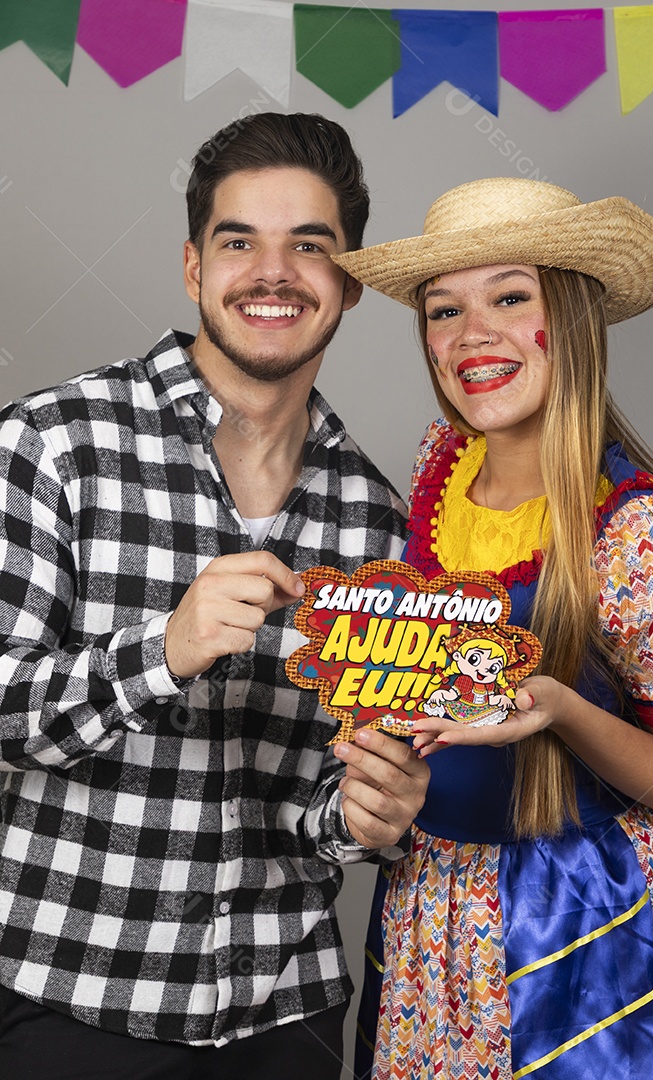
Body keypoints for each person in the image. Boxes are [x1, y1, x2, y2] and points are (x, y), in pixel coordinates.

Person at [0, 112, 429, 1080]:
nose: (272, 272)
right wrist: (163, 650)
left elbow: (318, 803)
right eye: (240, 242)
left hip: (288, 1017)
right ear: (195, 268)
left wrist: (362, 815)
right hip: (74, 1003)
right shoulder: (52, 444)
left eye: (309, 246)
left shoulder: (377, 523)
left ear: (349, 282)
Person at [335, 177, 653, 1079]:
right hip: (435, 911)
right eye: (443, 310)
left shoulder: (642, 532)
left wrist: (558, 708)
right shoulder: (439, 471)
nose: (471, 336)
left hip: (591, 918)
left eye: (511, 298)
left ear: (573, 319)